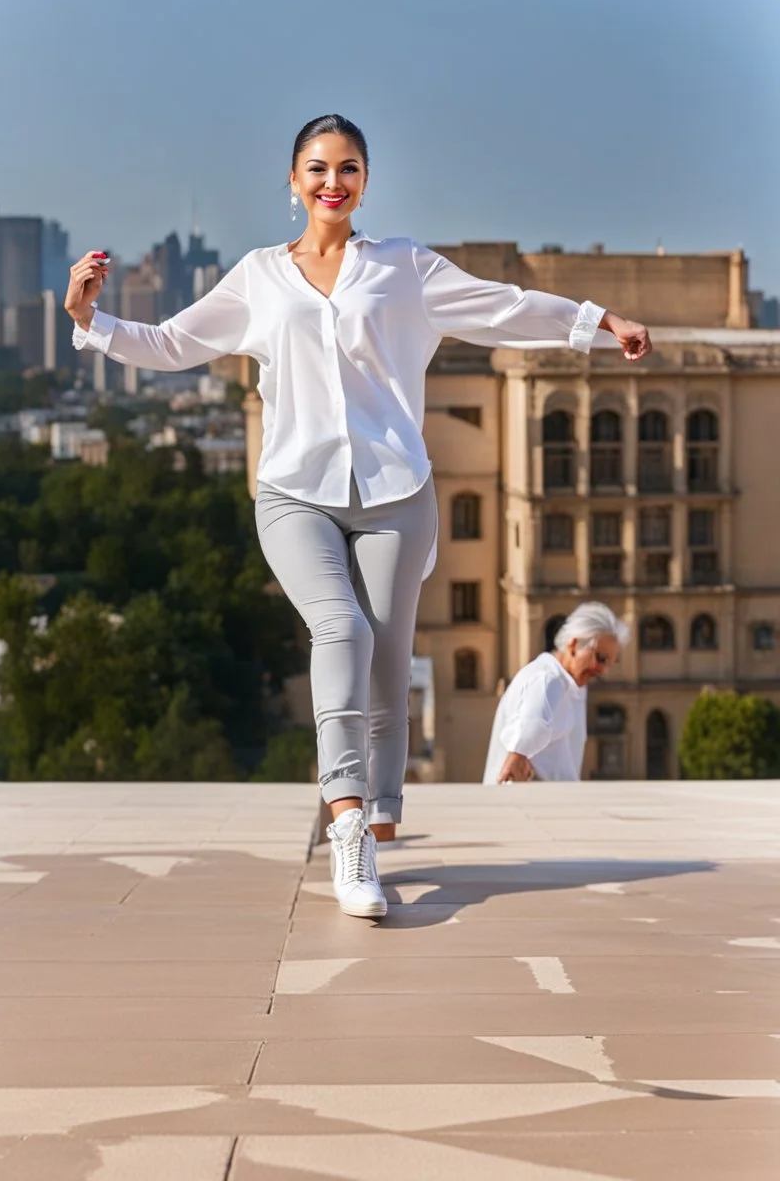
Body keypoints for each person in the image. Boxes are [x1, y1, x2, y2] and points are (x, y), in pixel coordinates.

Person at [64, 114, 652, 919]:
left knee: (387, 663)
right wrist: (90, 320)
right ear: (294, 181)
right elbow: (172, 343)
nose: (331, 182)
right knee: (341, 630)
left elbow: (504, 308)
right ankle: (347, 824)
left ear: (366, 180)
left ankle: (379, 812)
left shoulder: (403, 269)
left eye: (347, 168)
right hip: (295, 494)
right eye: (316, 168)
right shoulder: (260, 277)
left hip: (396, 496)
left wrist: (599, 322)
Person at [482, 602, 630, 785]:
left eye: (609, 663)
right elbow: (533, 723)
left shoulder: (573, 685)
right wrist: (518, 754)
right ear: (574, 644)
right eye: (600, 658)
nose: (603, 670)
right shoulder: (548, 678)